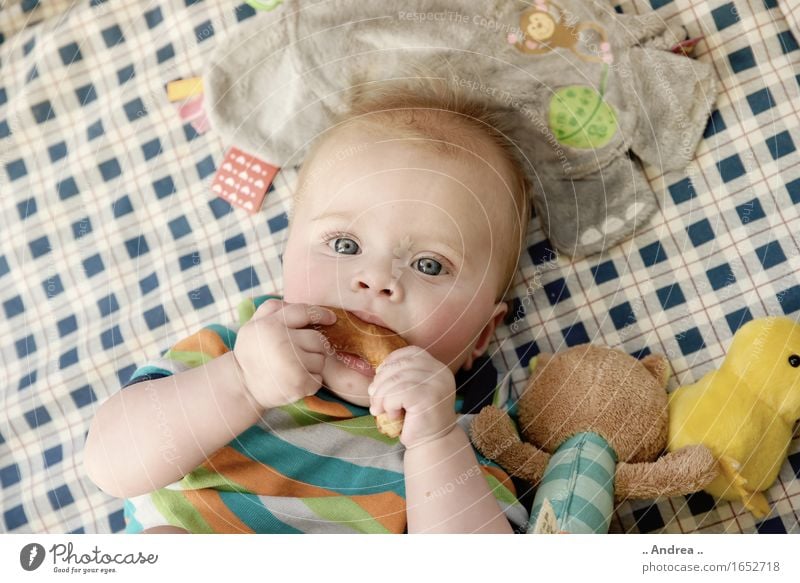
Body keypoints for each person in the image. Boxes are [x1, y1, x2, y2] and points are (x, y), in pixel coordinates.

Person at [83, 77, 532, 533]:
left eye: (430, 266)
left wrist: (434, 443)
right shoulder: (228, 354)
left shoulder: (464, 455)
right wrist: (242, 382)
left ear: (481, 334)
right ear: (287, 257)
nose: (377, 279)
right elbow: (109, 466)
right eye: (343, 243)